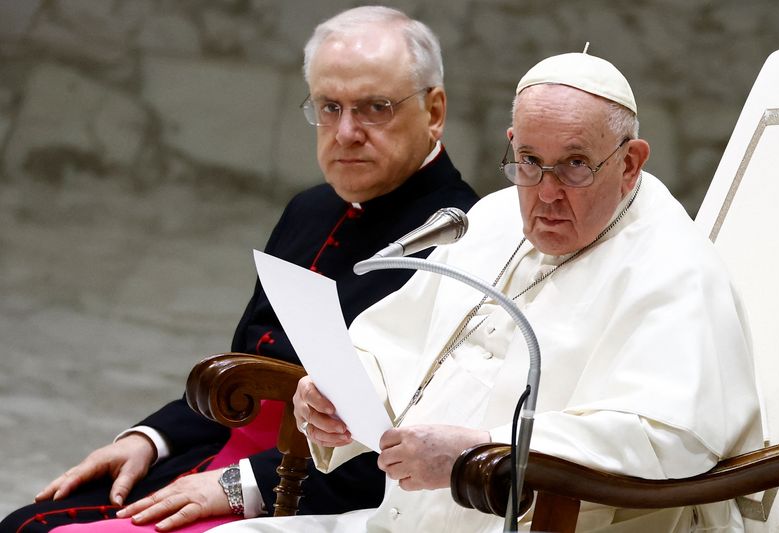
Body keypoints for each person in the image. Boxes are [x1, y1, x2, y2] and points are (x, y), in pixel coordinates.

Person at [207, 51, 764, 533]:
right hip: (402, 518)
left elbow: (667, 441)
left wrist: (483, 453)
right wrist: (334, 402)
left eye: (574, 166)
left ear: (630, 162)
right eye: (528, 162)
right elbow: (391, 345)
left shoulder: (676, 268)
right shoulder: (492, 218)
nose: (545, 194)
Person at [1, 6, 479, 533]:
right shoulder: (312, 209)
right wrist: (151, 438)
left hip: (309, 490)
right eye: (329, 106)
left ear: (434, 111)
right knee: (25, 523)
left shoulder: (465, 239)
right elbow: (247, 371)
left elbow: (406, 445)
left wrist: (236, 486)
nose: (345, 132)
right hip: (220, 449)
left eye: (374, 108)